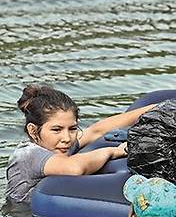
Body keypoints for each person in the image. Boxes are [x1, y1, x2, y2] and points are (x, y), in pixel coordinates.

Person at [6, 84, 154, 204]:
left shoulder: (60, 146)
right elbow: (74, 168)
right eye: (56, 129)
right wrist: (112, 151)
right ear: (33, 131)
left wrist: (154, 109)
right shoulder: (28, 155)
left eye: (72, 129)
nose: (67, 138)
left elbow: (97, 130)